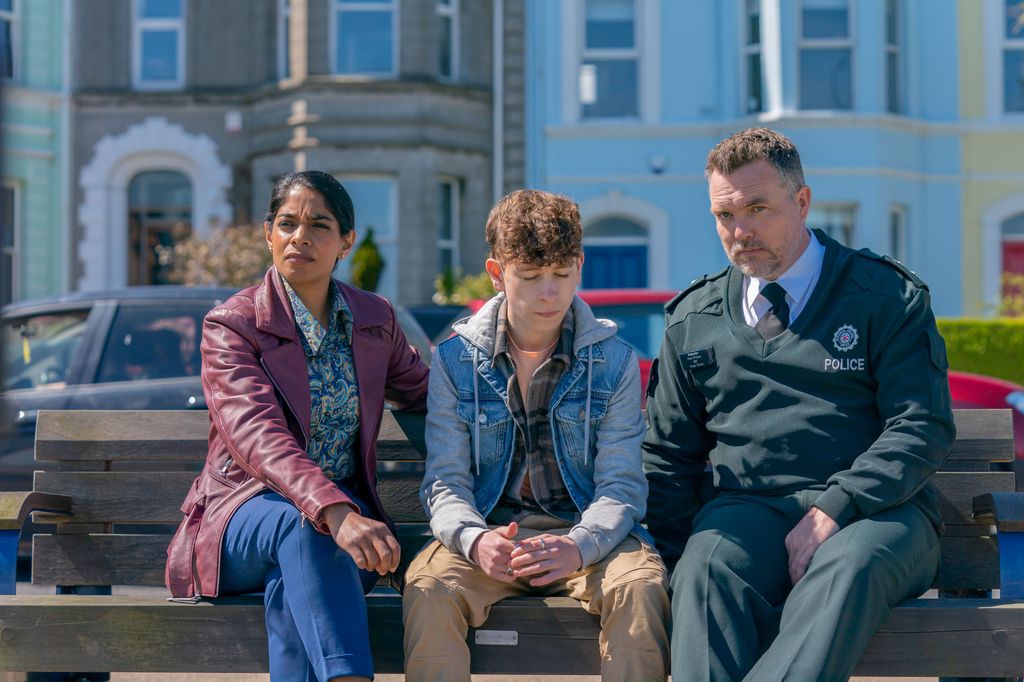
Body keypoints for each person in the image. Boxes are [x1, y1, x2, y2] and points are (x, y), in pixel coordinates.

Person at [642, 127, 956, 681]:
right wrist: (673, 560)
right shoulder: (694, 320)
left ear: (803, 201)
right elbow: (668, 456)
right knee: (706, 570)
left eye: (758, 208)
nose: (740, 231)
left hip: (879, 516)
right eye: (724, 215)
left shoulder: (885, 298)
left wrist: (836, 507)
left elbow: (921, 425)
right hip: (749, 510)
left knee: (846, 567)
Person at [165, 170, 429, 682]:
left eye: (318, 226)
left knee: (294, 583)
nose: (299, 237)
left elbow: (429, 391)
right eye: (286, 223)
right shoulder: (233, 325)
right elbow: (257, 434)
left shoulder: (374, 319)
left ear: (346, 242)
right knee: (303, 528)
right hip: (239, 516)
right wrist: (335, 511)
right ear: (269, 234)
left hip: (335, 539)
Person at [402, 189, 670, 682]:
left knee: (640, 586)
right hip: (489, 536)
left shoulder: (613, 361)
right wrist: (475, 539)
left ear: (580, 267)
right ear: (496, 272)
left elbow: (621, 485)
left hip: (588, 539)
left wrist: (580, 544)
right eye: (530, 277)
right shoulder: (454, 361)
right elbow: (446, 482)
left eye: (563, 275)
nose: (549, 293)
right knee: (429, 588)